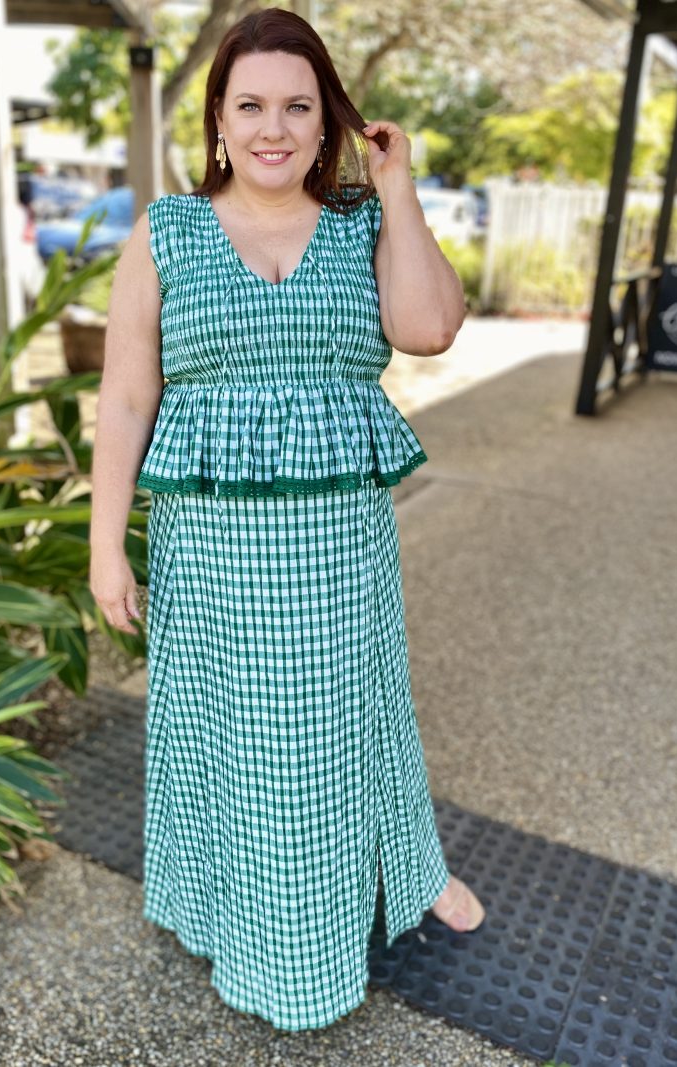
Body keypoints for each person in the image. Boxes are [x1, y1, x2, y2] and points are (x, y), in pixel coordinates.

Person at [89, 7, 484, 1032]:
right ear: (219, 118)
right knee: (233, 737)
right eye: (252, 105)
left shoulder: (360, 224)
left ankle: (400, 875)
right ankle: (245, 920)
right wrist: (105, 547)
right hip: (211, 552)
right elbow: (126, 398)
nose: (274, 128)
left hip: (338, 549)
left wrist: (396, 188)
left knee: (349, 725)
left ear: (328, 120)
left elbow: (428, 327)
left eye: (298, 107)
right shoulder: (167, 232)